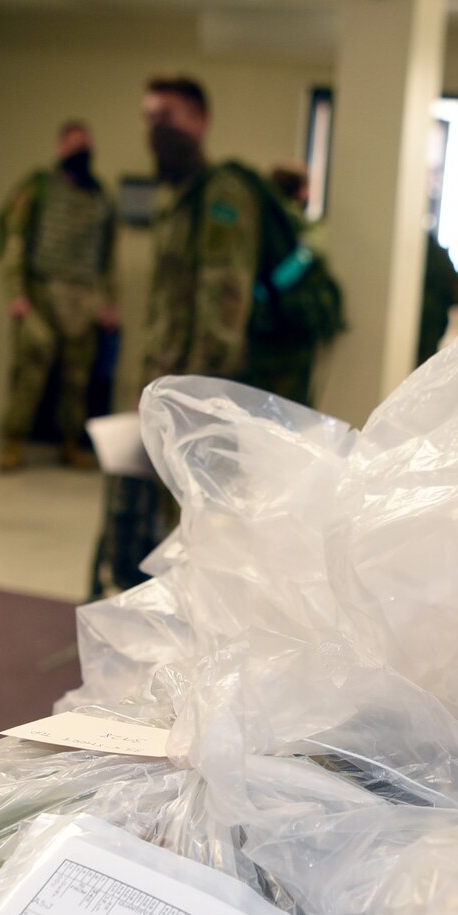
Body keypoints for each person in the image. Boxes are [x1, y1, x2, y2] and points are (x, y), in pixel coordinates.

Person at [93, 76, 265, 596]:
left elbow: (223, 307)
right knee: (148, 515)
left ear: (199, 121)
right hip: (161, 384)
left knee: (194, 521)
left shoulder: (220, 198)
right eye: (148, 118)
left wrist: (195, 399)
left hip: (193, 396)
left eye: (166, 117)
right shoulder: (176, 200)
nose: (155, 131)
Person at [0, 120, 117, 473]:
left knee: (76, 379)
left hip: (85, 300)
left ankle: (70, 443)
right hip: (42, 295)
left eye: (86, 146)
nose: (82, 153)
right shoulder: (38, 187)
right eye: (75, 145)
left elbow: (108, 256)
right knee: (29, 375)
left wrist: (109, 301)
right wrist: (15, 292)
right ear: (59, 148)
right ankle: (14, 442)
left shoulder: (101, 197)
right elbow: (14, 240)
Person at [417, 229, 458, 366]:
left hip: (425, 314)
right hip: (437, 315)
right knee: (427, 356)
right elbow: (456, 291)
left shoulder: (418, 257)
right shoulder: (441, 255)